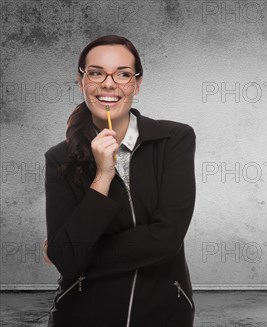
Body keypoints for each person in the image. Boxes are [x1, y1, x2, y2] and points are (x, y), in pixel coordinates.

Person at [43, 35, 196, 326]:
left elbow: (167, 238)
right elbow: (66, 259)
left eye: (123, 74)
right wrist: (102, 176)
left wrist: (73, 252)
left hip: (163, 313)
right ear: (81, 81)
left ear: (137, 84)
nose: (109, 84)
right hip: (83, 315)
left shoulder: (174, 139)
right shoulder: (58, 158)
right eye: (96, 73)